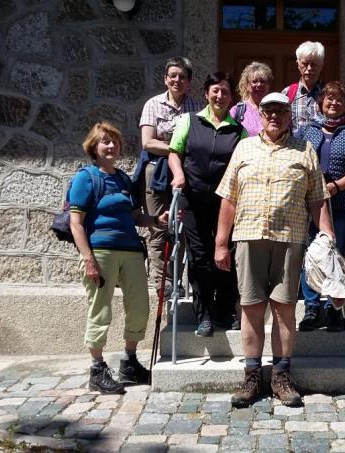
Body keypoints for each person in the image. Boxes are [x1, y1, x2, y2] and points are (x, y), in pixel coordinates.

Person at [214, 92, 334, 408]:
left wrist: (328, 236)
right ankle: (252, 376)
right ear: (262, 115)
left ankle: (281, 376)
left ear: (289, 116)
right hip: (249, 236)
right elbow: (229, 198)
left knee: (283, 308)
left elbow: (318, 199)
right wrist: (220, 243)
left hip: (289, 238)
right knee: (251, 308)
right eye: (268, 111)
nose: (274, 117)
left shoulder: (305, 150)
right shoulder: (244, 147)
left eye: (281, 111)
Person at [69, 122, 168, 394]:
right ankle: (97, 369)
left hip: (132, 251)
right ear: (94, 147)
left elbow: (136, 217)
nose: (111, 146)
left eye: (115, 141)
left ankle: (129, 362)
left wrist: (156, 220)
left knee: (139, 308)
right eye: (105, 142)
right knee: (100, 309)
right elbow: (76, 223)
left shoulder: (124, 179)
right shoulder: (86, 178)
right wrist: (88, 258)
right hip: (101, 252)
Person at [168, 72, 246, 337]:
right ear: (206, 93)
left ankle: (226, 310)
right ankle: (205, 315)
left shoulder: (238, 130)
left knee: (226, 256)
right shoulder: (189, 121)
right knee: (200, 258)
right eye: (215, 90)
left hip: (226, 203)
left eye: (225, 91)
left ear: (231, 96)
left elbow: (245, 165)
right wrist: (178, 175)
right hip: (193, 200)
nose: (220, 95)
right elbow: (174, 153)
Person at [295, 81, 345, 332]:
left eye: (339, 100)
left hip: (341, 202)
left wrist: (336, 186)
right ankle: (312, 308)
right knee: (311, 255)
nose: (333, 103)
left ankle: (334, 308)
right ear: (321, 103)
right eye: (329, 99)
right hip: (309, 204)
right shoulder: (307, 131)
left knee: (333, 254)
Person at [134, 56, 202, 295]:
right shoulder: (153, 104)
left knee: (180, 227)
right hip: (156, 173)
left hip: (184, 173)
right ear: (165, 79)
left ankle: (176, 282)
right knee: (159, 227)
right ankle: (162, 283)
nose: (177, 80)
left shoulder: (196, 107)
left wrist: (175, 146)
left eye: (182, 76)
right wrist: (178, 147)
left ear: (189, 81)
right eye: (173, 75)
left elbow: (199, 141)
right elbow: (148, 142)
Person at [282, 41, 325, 133]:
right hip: (294, 146)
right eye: (305, 64)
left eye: (313, 64)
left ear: (321, 66)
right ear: (298, 65)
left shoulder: (328, 94)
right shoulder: (287, 93)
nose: (309, 68)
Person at [230, 61, 273, 137]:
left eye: (263, 81)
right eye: (254, 81)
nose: (259, 85)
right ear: (246, 85)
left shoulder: (275, 109)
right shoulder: (237, 111)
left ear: (268, 85)